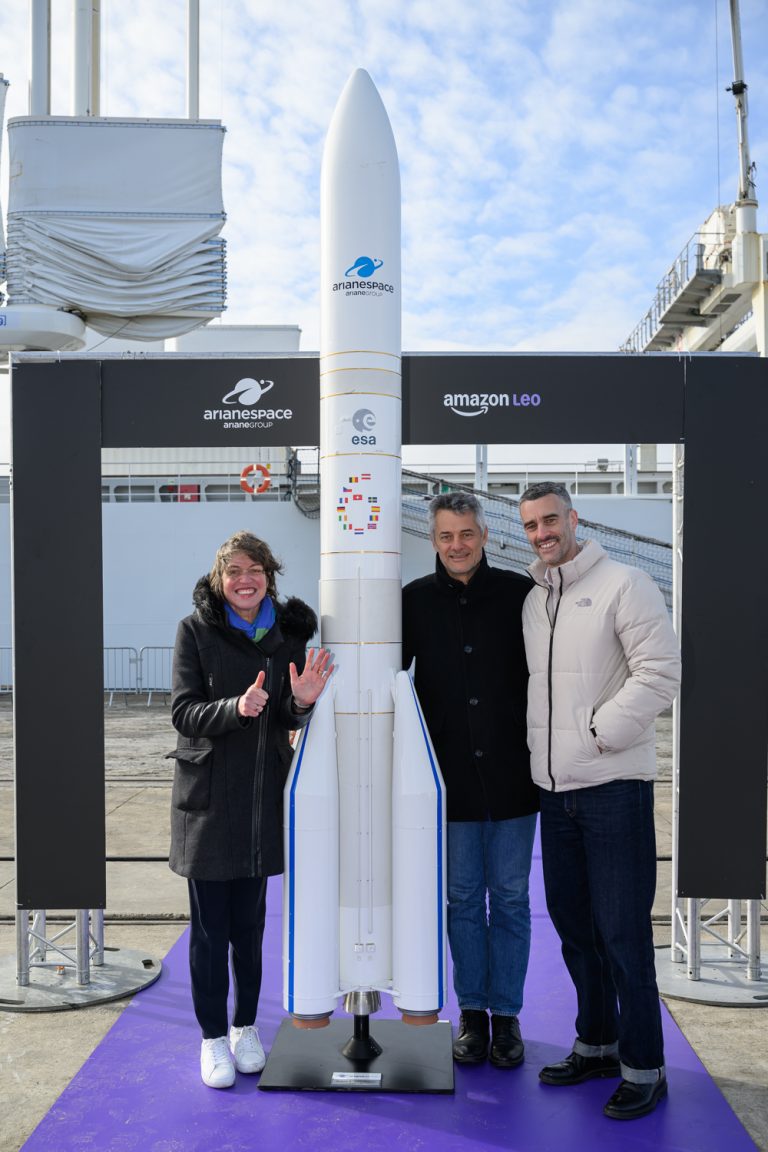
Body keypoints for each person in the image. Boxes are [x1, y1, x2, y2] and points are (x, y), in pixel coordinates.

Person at [517, 481, 681, 1121]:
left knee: (622, 934)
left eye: (550, 520)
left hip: (613, 788)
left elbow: (660, 671)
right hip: (555, 794)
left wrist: (599, 732)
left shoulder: (625, 583)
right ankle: (598, 1043)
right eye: (531, 525)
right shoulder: (535, 601)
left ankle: (644, 1066)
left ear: (574, 518)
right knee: (576, 930)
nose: (541, 533)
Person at [167, 530, 332, 1089]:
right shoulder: (195, 631)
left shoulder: (288, 635)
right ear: (220, 580)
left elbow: (285, 715)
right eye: (234, 571)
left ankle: (245, 1028)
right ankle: (213, 1037)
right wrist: (235, 707)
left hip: (262, 799)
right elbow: (183, 712)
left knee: (251, 928)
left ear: (269, 577)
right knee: (210, 932)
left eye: (255, 570)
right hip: (210, 805)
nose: (245, 579)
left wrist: (301, 702)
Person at [402, 492, 538, 1067]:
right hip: (447, 781)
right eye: (445, 536)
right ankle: (473, 1015)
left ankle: (506, 1017)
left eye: (466, 534)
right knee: (461, 900)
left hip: (514, 778)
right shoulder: (411, 602)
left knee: (509, 899)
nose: (456, 545)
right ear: (433, 540)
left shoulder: (521, 595)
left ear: (484, 536)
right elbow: (387, 681)